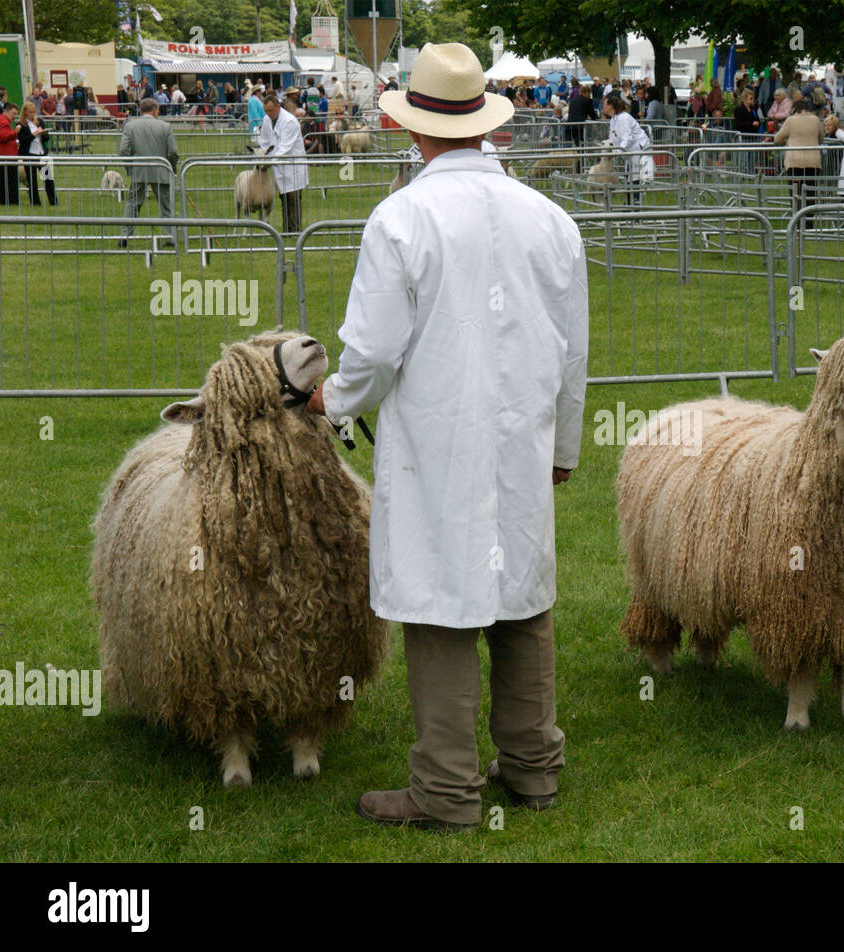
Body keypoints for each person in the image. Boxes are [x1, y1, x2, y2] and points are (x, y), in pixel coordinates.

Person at [305, 42, 588, 832]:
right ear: (484, 127)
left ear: (415, 132)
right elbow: (574, 353)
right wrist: (563, 447)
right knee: (521, 599)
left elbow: (371, 352)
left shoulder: (402, 219)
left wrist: (332, 401)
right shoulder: (551, 220)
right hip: (518, 442)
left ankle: (445, 789)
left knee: (441, 605)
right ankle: (533, 767)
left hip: (440, 443)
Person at [118, 98, 179, 246]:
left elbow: (123, 151)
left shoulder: (130, 127)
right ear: (153, 110)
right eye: (157, 110)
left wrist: (130, 167)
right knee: (166, 205)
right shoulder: (165, 127)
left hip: (139, 170)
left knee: (133, 204)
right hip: (161, 169)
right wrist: (171, 168)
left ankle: (124, 236)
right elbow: (173, 152)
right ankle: (170, 237)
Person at [258, 92, 308, 234]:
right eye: (266, 110)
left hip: (293, 165)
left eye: (271, 110)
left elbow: (284, 147)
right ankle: (287, 230)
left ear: (278, 107)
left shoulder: (290, 121)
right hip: (279, 166)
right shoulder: (267, 120)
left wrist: (269, 162)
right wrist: (261, 156)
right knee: (284, 199)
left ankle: (296, 231)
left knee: (293, 199)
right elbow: (265, 141)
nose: (268, 113)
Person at [773, 98, 822, 211]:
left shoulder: (791, 120)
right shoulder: (815, 120)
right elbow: (821, 138)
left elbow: (777, 138)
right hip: (813, 162)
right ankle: (808, 224)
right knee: (810, 195)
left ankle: (797, 224)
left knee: (796, 195)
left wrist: (786, 141)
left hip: (794, 162)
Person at [604, 93, 652, 205]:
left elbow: (627, 138)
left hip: (637, 149)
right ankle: (630, 202)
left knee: (635, 177)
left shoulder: (623, 118)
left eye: (605, 105)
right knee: (629, 176)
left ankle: (635, 203)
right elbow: (614, 138)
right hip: (629, 151)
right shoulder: (614, 119)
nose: (603, 107)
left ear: (611, 106)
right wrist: (612, 150)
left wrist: (617, 152)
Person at [16, 102, 55, 206]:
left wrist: (44, 133)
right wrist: (34, 135)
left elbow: (46, 139)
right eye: (30, 112)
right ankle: (35, 202)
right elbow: (23, 141)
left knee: (48, 179)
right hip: (30, 155)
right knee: (32, 180)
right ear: (25, 112)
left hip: (42, 153)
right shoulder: (21, 125)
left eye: (34, 112)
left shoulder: (40, 121)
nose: (32, 114)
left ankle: (53, 201)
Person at [0, 101, 18, 205]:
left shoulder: (2, 120)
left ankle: (4, 201)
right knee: (10, 181)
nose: (15, 116)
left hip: (4, 155)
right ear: (6, 111)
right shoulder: (3, 122)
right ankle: (12, 201)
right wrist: (15, 132)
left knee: (3, 181)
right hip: (6, 156)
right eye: (13, 113)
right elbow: (2, 137)